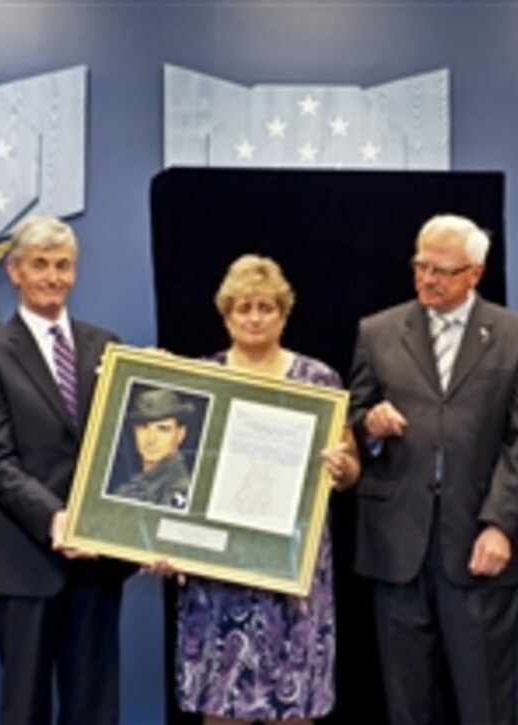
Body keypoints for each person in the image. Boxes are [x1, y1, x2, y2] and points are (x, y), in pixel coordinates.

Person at [348, 214, 518, 724]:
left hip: (476, 541)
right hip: (397, 542)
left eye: (442, 270)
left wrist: (499, 523)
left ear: (475, 273)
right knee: (409, 705)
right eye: (420, 265)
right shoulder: (378, 331)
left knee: (486, 703)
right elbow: (352, 419)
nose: (427, 279)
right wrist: (369, 423)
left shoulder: (517, 337)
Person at [174, 254, 360, 724]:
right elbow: (179, 476)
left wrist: (342, 469)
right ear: (226, 314)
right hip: (216, 569)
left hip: (293, 566)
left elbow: (352, 468)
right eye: (243, 308)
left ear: (284, 313)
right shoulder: (201, 379)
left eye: (266, 307)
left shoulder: (319, 380)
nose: (254, 318)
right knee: (220, 705)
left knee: (293, 704)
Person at [0, 216, 131, 724]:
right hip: (24, 559)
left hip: (98, 562)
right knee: (24, 708)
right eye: (41, 265)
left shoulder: (106, 345)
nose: (53, 277)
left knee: (94, 708)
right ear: (15, 272)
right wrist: (57, 519)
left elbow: (128, 441)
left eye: (63, 266)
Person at [111, 387, 195, 509]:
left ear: (180, 434)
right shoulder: (132, 487)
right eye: (143, 427)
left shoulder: (179, 490)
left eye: (163, 429)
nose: (151, 439)